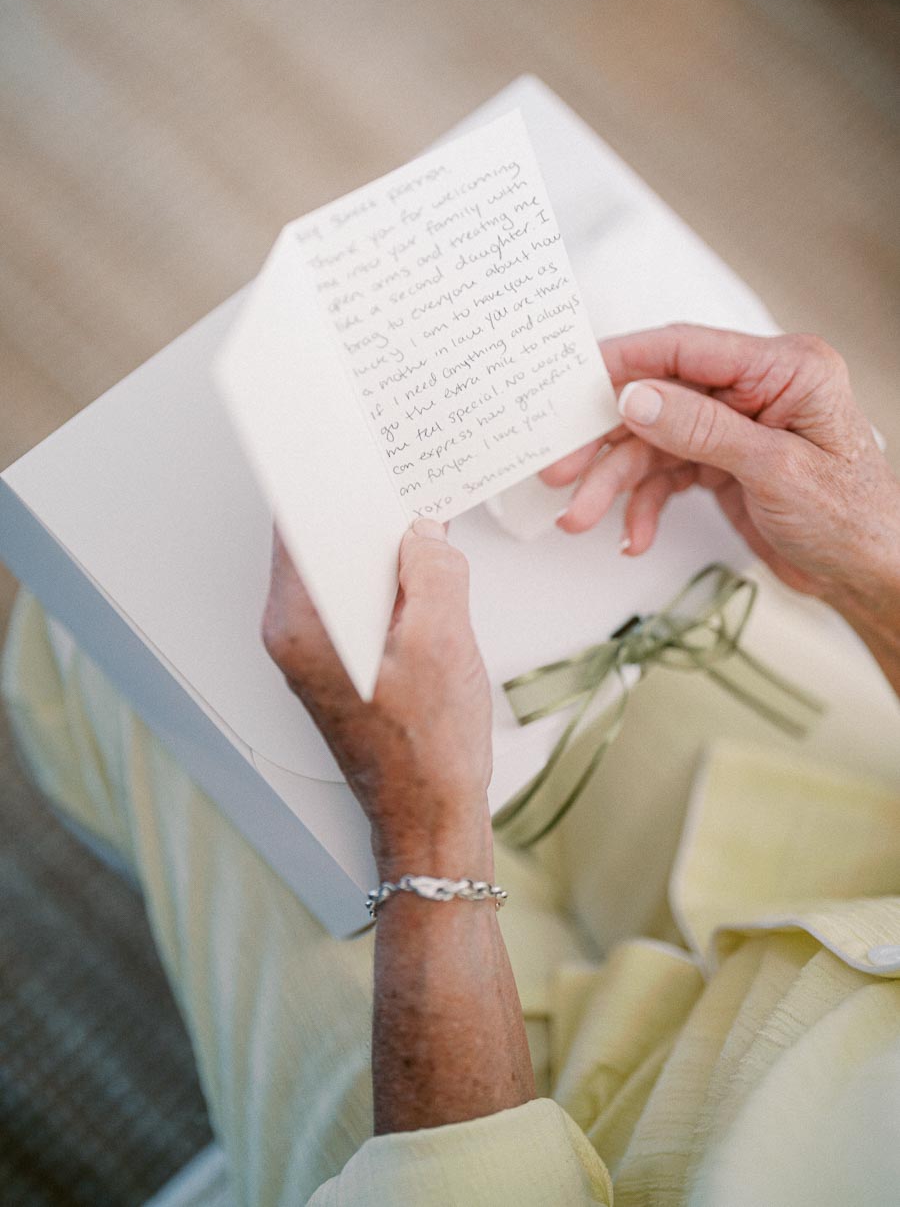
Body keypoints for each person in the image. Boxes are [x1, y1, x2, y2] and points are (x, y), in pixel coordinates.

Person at [4, 324, 900, 1205]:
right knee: (611, 546)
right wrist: (876, 563)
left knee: (142, 640)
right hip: (863, 845)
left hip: (551, 1156)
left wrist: (428, 832)